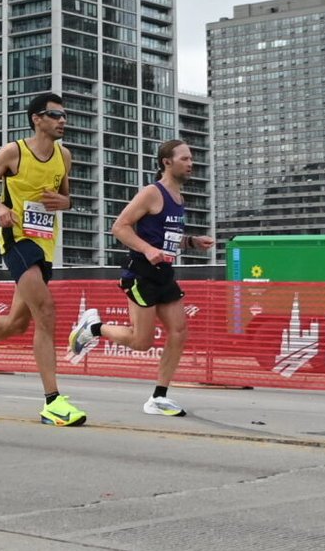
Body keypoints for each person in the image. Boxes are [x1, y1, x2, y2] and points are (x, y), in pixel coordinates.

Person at [0, 92, 85, 426]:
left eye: (64, 115)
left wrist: (63, 203)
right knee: (46, 311)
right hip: (17, 239)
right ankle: (52, 401)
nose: (62, 121)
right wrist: (0, 209)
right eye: (55, 115)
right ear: (36, 119)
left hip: (46, 245)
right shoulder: (15, 152)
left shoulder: (63, 156)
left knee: (17, 323)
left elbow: (68, 199)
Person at [69, 139, 216, 416]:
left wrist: (193, 242)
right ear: (167, 162)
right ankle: (93, 328)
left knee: (179, 331)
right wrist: (148, 250)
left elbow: (168, 240)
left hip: (164, 274)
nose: (191, 163)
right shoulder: (152, 193)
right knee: (141, 341)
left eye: (191, 159)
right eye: (185, 159)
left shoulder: (179, 199)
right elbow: (119, 227)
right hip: (141, 275)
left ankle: (159, 398)